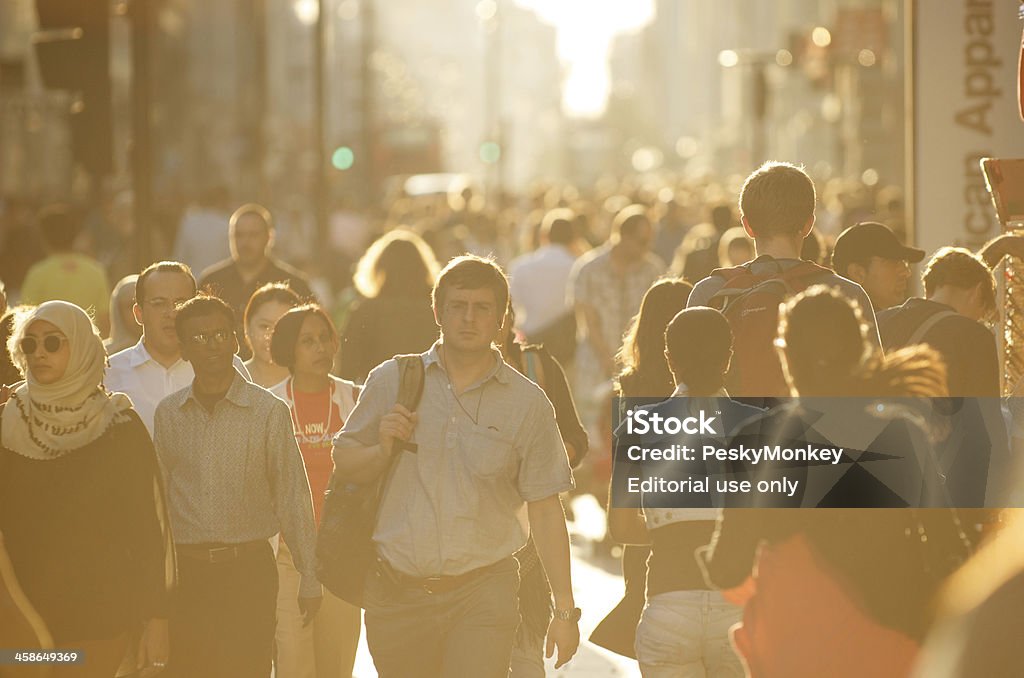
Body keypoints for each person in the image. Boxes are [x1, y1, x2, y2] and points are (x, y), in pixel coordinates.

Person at [332, 255, 579, 677]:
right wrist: (382, 448)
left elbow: (545, 506)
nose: (469, 318)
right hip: (396, 593)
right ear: (437, 312)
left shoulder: (528, 401)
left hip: (484, 592)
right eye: (458, 306)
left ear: (502, 318)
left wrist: (564, 610)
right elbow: (345, 461)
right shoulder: (392, 379)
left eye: (482, 308)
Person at [700, 286, 964, 678]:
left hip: (797, 648)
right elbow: (949, 551)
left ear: (786, 356)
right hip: (895, 646)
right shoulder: (901, 432)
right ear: (859, 351)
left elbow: (728, 569)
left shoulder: (758, 441)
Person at [0, 301, 173, 677]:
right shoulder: (7, 422)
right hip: (24, 623)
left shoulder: (118, 424)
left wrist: (157, 616)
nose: (40, 353)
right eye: (30, 345)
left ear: (80, 346)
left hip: (100, 619)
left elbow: (149, 528)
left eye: (53, 343)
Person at [153, 294, 321, 678]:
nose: (211, 345)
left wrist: (310, 577)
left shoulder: (268, 412)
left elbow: (293, 497)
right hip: (188, 576)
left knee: (249, 669)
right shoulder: (169, 415)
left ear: (234, 340)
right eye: (198, 338)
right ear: (183, 348)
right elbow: (158, 504)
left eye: (219, 334)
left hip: (249, 572)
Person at [609, 306, 753, 677]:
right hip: (738, 611)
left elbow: (621, 528)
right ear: (729, 357)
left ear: (669, 358)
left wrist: (668, 531)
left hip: (668, 606)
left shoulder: (638, 426)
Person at [686, 162, 881, 397]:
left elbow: (690, 395)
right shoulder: (845, 293)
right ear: (809, 225)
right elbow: (873, 389)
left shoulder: (709, 293)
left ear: (747, 226)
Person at [269, 304, 362, 678]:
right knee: (293, 662)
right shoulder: (269, 404)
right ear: (289, 349)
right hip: (289, 554)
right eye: (308, 341)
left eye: (325, 338)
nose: (320, 347)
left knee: (337, 665)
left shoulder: (356, 399)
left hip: (341, 552)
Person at [498, 308, 589, 678]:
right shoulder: (439, 377)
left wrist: (545, 456)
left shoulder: (536, 365)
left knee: (524, 663)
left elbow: (576, 439)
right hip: (464, 564)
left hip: (529, 555)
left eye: (495, 311)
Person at [105, 261, 250, 435]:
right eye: (159, 303)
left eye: (181, 302)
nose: (171, 312)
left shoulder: (228, 366)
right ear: (139, 313)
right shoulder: (110, 374)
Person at [878, 246, 999, 398]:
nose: (978, 320)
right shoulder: (975, 335)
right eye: (981, 315)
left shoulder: (879, 320)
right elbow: (985, 419)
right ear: (978, 291)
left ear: (929, 288)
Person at [198, 203, 314, 357]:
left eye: (253, 235)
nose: (245, 242)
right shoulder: (211, 281)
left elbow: (310, 334)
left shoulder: (294, 284)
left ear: (270, 237)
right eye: (239, 235)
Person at [338, 229, 440, 383]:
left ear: (380, 268)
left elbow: (347, 368)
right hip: (429, 398)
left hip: (378, 397)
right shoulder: (436, 311)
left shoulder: (366, 310)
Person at [20, 205, 111, 336]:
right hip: (88, 347)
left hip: (50, 349)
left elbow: (25, 318)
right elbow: (105, 319)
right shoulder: (96, 270)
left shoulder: (38, 273)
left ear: (43, 237)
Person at [509, 208, 580, 366]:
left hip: (531, 344)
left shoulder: (520, 266)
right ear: (574, 237)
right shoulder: (578, 267)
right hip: (568, 348)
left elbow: (512, 307)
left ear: (544, 236)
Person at [830, 222, 925, 312]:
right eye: (893, 262)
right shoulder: (837, 325)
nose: (906, 272)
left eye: (904, 263)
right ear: (857, 273)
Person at [242, 283, 301, 388]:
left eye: (283, 328)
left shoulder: (312, 383)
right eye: (264, 326)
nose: (272, 336)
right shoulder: (231, 381)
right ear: (247, 326)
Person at [173, 185, 232, 279]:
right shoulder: (226, 224)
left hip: (192, 279)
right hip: (219, 281)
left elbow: (180, 256)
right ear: (221, 201)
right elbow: (229, 257)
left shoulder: (189, 222)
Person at [104, 274, 141, 355]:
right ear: (118, 310)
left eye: (142, 305)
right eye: (131, 305)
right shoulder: (104, 355)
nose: (139, 312)